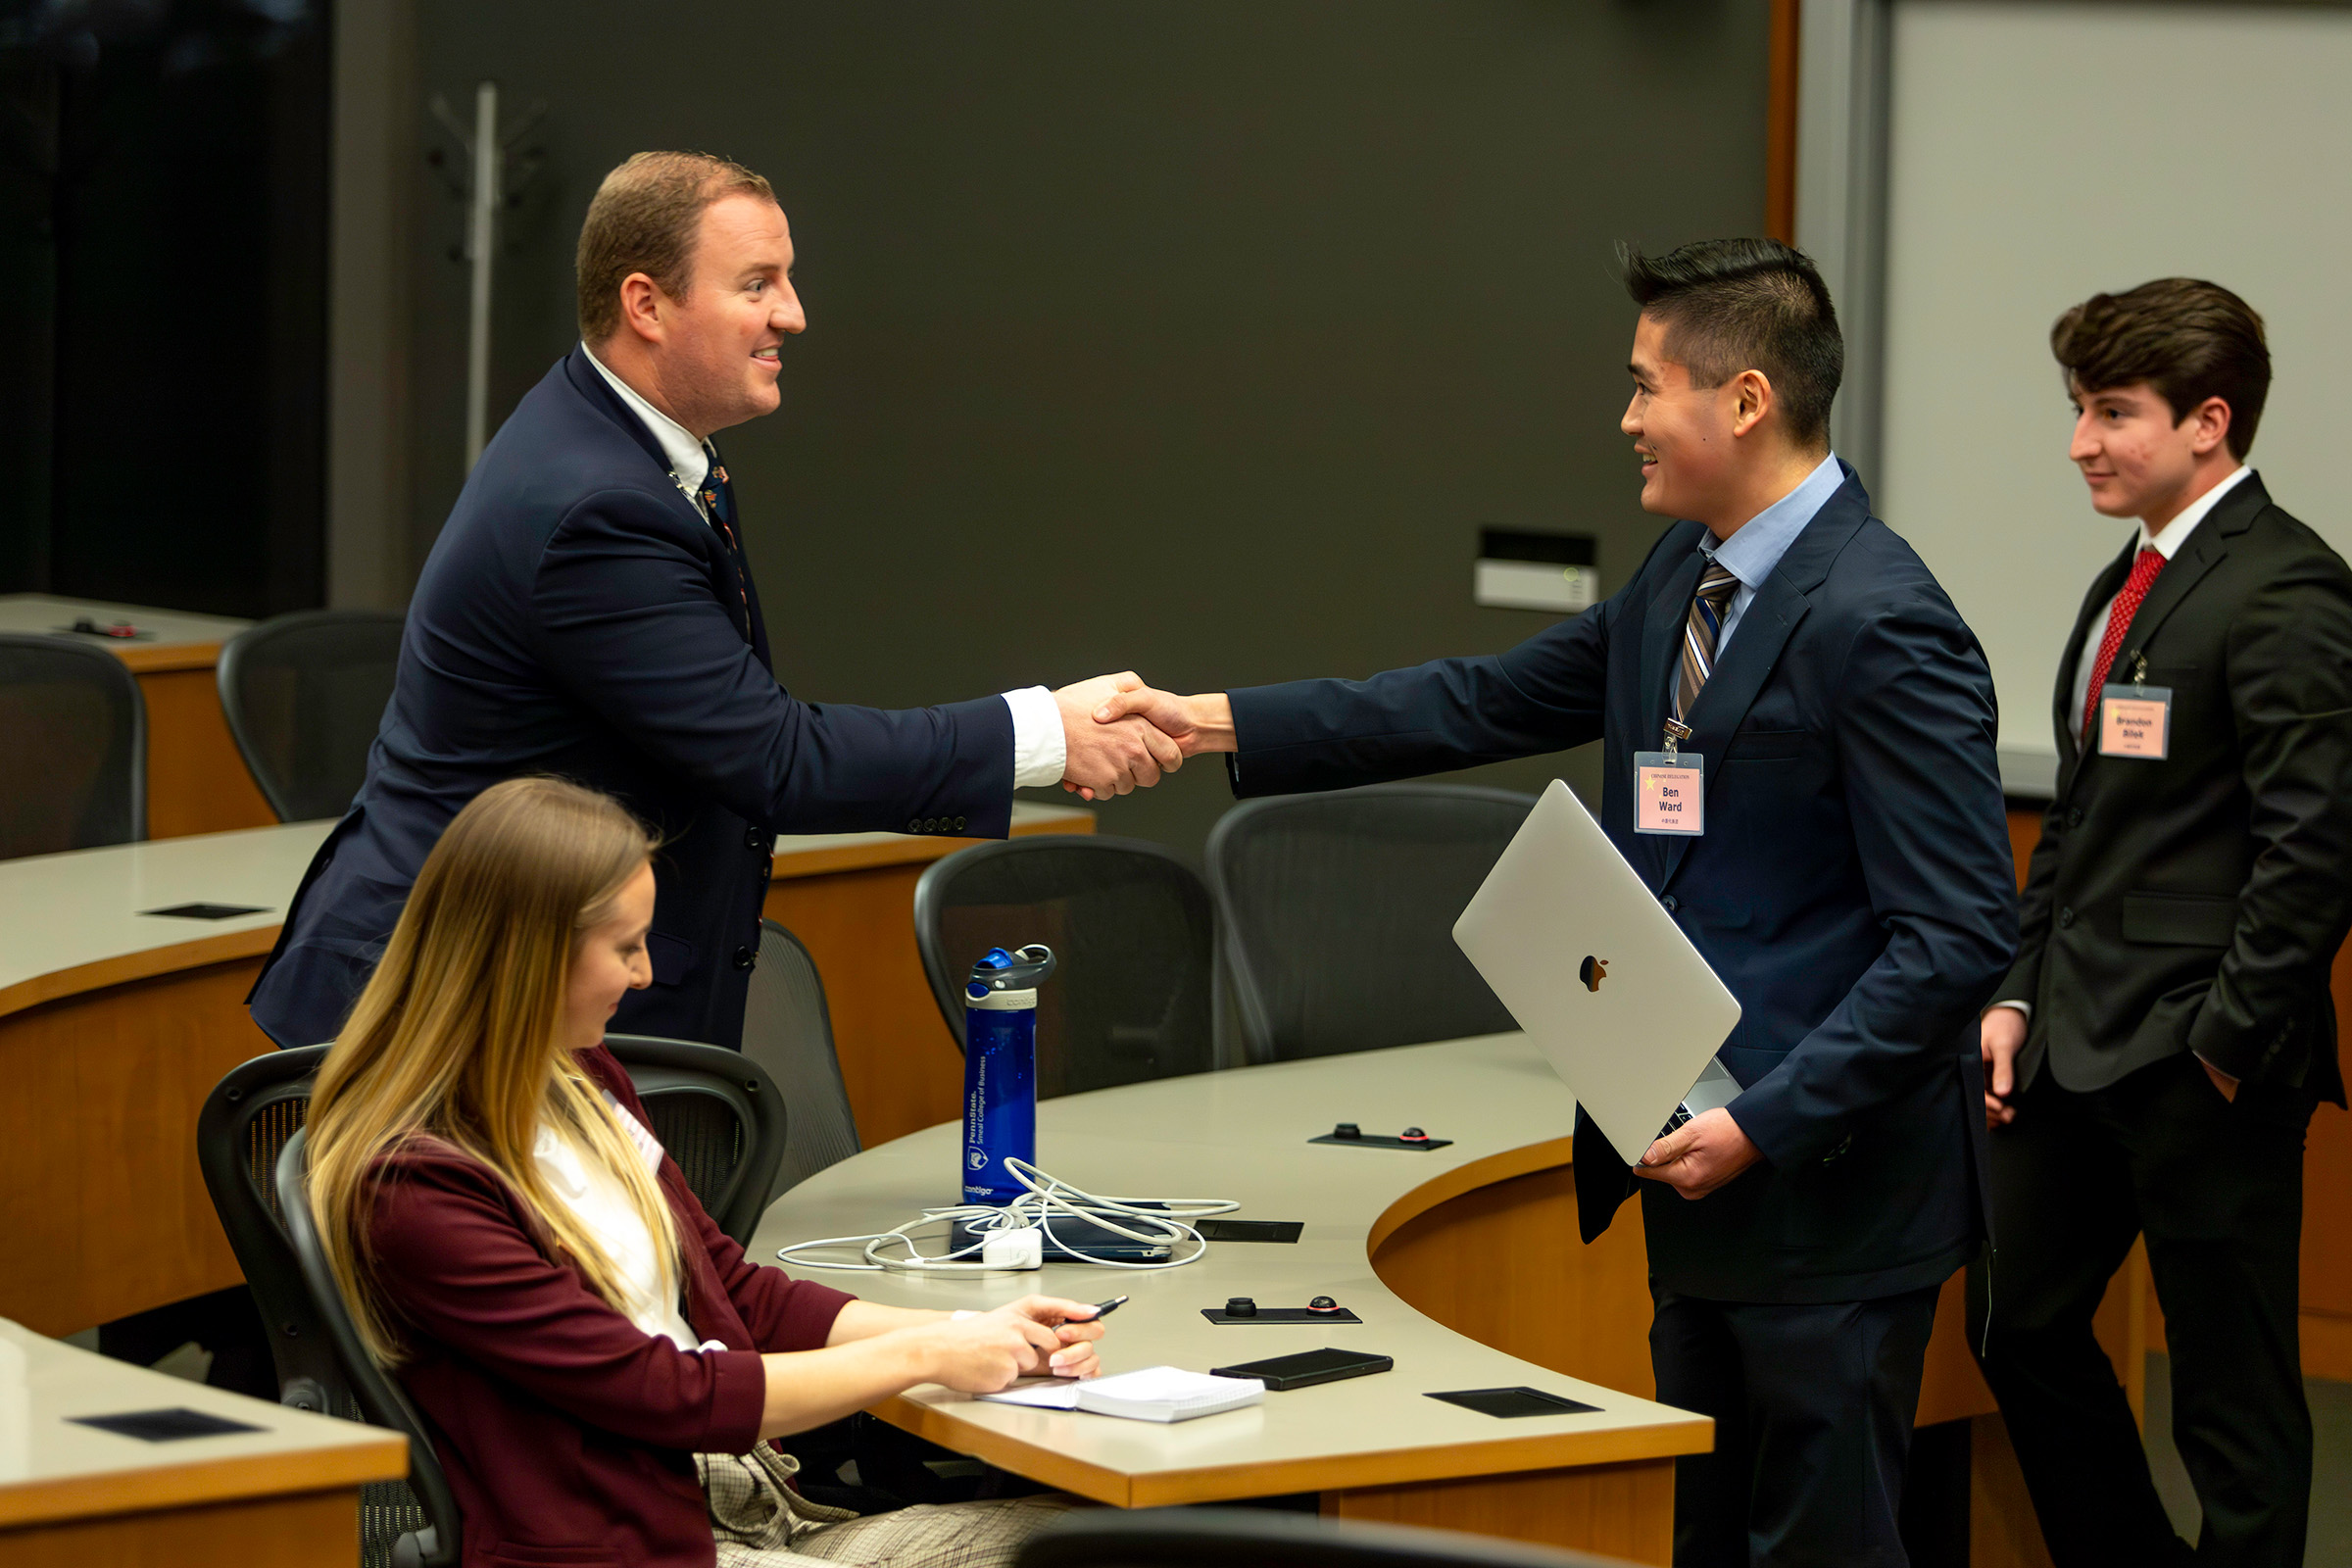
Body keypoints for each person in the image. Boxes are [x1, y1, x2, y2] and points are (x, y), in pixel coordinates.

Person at [1094, 238, 2018, 1566]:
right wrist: (1216, 721)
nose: (1626, 418)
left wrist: (1765, 1120)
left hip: (1827, 1190)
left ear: (1745, 401)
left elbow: (1957, 938)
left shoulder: (1881, 619)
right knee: (1701, 1531)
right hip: (1692, 1166)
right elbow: (1474, 700)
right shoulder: (1679, 580)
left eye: (1648, 386)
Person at [250, 149, 1178, 1054]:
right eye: (757, 284)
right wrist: (1044, 733)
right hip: (453, 1008)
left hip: (523, 980)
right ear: (646, 305)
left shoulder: (624, 435)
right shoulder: (596, 505)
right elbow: (770, 757)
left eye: (789, 279)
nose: (795, 315)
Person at [305, 776, 1108, 1568]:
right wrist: (925, 1358)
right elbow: (662, 1392)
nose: (645, 974)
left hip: (743, 1508)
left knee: (1130, 1546)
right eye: (624, 947)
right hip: (627, 1548)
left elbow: (737, 1295)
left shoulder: (579, 1077)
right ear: (529, 956)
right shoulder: (414, 1186)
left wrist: (976, 1334)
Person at [1969, 279, 2352, 1568]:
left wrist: (2229, 1042)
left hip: (2203, 1061)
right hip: (2075, 1038)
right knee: (2015, 1325)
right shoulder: (2126, 582)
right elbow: (2078, 820)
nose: (2081, 440)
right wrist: (2017, 992)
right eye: (2078, 408)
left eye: (2112, 411)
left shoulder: (2289, 589)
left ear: (2209, 422)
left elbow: (2318, 845)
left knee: (2230, 1399)